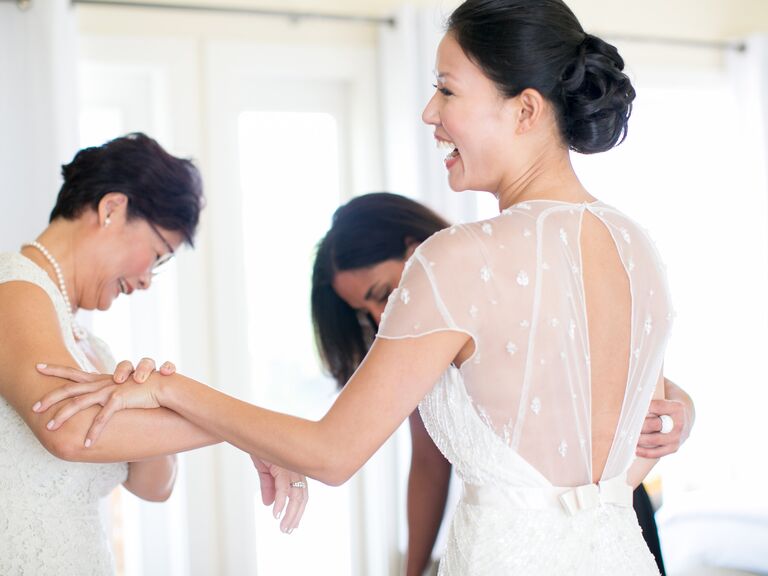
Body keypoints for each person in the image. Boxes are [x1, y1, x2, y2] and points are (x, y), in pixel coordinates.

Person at [34, 1, 684, 572]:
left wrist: (170, 387)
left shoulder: (455, 260)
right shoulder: (639, 250)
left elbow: (332, 452)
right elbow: (632, 452)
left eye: (447, 91)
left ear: (525, 109)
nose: (430, 113)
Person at [312, 192, 693, 575]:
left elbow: (601, 367)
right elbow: (428, 464)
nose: (380, 317)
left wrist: (682, 405)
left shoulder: (501, 278)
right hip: (506, 539)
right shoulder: (418, 349)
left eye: (379, 294)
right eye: (364, 315)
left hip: (606, 508)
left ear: (415, 249)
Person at [0, 133, 306, 575]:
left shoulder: (94, 349)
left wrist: (151, 396)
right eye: (159, 255)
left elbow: (154, 485)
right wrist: (244, 430)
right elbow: (68, 431)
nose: (147, 281)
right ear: (111, 209)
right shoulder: (13, 289)